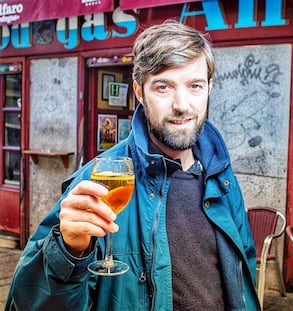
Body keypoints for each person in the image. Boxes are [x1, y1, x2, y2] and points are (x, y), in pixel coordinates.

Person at [6, 20, 260, 311]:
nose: (182, 104)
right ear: (139, 92)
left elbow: (243, 276)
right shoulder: (96, 180)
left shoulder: (221, 175)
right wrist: (68, 252)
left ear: (209, 88)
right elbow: (27, 304)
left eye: (195, 86)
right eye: (163, 87)